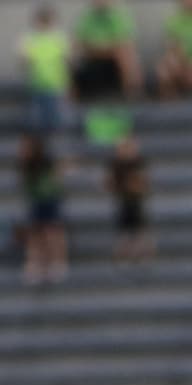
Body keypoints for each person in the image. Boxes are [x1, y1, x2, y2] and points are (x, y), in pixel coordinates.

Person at [16, 132, 68, 286]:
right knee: (35, 233)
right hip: (37, 200)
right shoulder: (26, 164)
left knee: (51, 232)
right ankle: (35, 264)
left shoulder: (46, 162)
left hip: (49, 200)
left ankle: (57, 262)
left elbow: (56, 180)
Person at [72, 0, 142, 101]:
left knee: (126, 56)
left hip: (113, 58)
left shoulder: (119, 17)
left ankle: (133, 96)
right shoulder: (87, 18)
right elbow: (79, 44)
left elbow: (125, 44)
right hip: (92, 58)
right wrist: (103, 47)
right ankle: (71, 105)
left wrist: (101, 47)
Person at [18, 5, 72, 133]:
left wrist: (69, 85)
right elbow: (24, 62)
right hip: (37, 86)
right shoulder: (30, 39)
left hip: (56, 86)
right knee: (38, 122)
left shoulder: (59, 39)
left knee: (56, 121)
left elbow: (68, 63)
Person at [106, 134, 153, 263]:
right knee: (124, 233)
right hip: (124, 202)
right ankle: (124, 257)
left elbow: (142, 184)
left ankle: (143, 256)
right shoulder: (117, 166)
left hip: (135, 202)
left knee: (139, 231)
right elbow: (110, 184)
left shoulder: (138, 164)